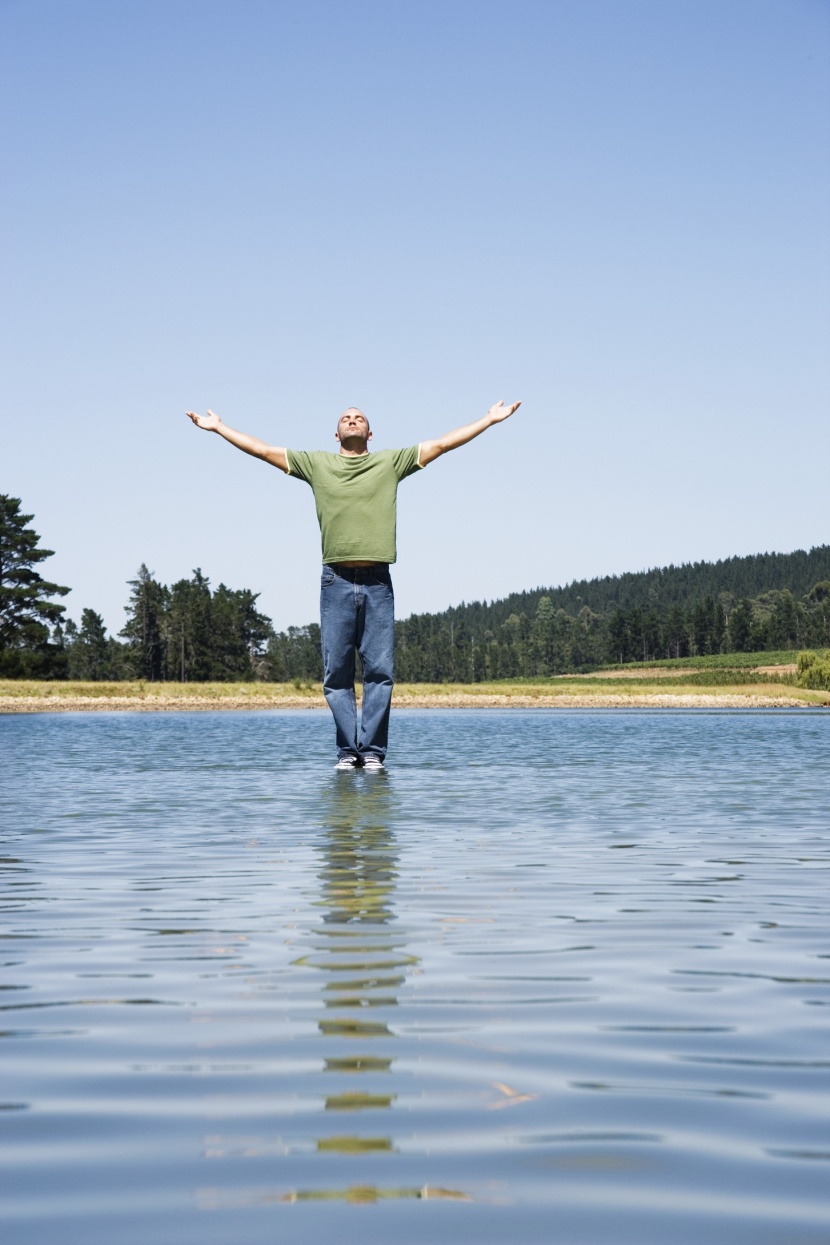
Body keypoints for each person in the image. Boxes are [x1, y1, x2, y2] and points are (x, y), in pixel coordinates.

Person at [186, 400, 520, 769]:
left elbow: (442, 444)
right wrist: (219, 428)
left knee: (380, 672)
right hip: (336, 581)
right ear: (337, 433)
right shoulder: (316, 464)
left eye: (359, 418)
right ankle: (348, 752)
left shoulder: (390, 463)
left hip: (378, 581)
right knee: (336, 673)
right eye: (345, 418)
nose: (352, 420)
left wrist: (488, 420)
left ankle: (373, 753)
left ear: (369, 433)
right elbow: (263, 451)